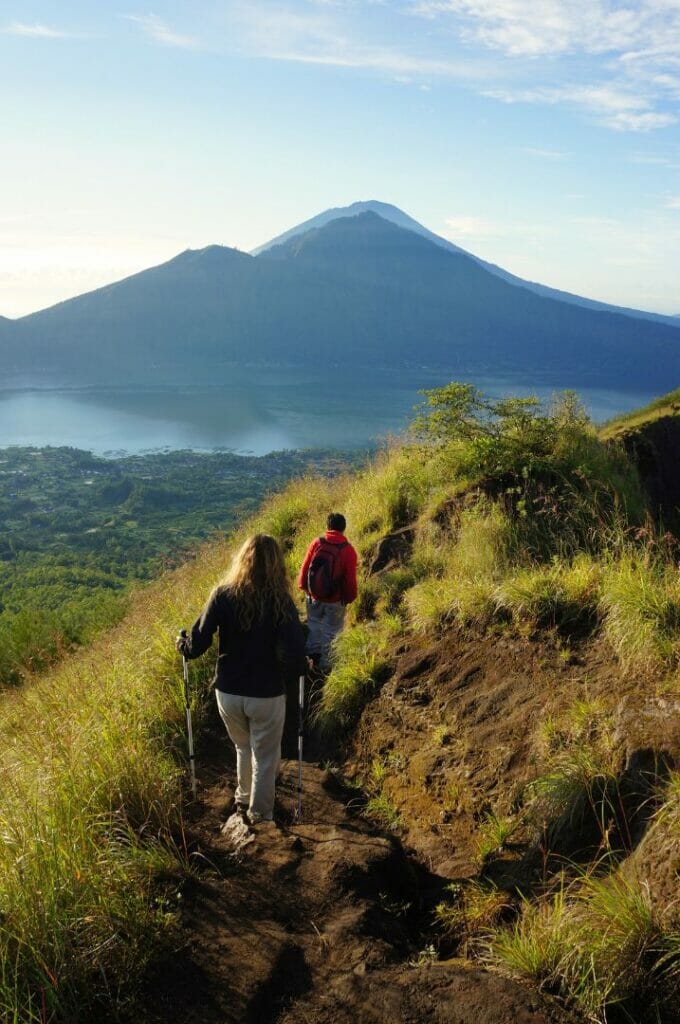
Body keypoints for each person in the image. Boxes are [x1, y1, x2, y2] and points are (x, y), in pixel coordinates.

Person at [176, 533, 306, 827]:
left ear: (242, 559)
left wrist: (181, 644)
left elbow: (197, 644)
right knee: (265, 755)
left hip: (229, 691)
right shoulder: (280, 601)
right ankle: (260, 817)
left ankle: (242, 799)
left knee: (243, 747)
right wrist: (301, 668)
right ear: (277, 564)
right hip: (266, 693)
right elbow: (294, 652)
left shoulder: (222, 595)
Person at [298, 512, 358, 672]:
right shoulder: (348, 550)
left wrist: (304, 588)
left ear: (328, 526)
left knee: (314, 625)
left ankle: (310, 660)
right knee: (332, 631)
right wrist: (350, 597)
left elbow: (305, 567)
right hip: (336, 600)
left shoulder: (317, 543)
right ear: (343, 529)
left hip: (313, 596)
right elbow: (350, 578)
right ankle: (326, 668)